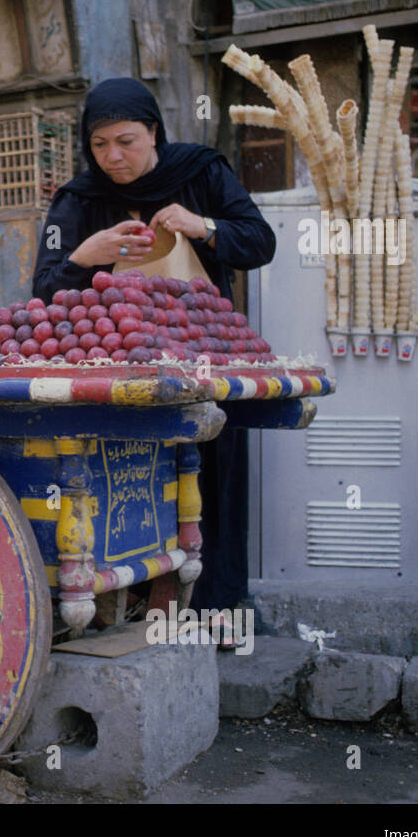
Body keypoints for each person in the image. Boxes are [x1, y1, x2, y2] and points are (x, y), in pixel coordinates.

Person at [32, 77, 276, 631]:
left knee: (212, 484)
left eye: (127, 141)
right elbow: (43, 289)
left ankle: (219, 614)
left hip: (202, 363)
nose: (113, 157)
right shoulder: (77, 200)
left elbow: (260, 241)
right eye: (99, 145)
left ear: (154, 133)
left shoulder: (201, 172)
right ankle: (131, 616)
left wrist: (204, 226)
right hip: (116, 380)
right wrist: (84, 256)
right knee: (129, 491)